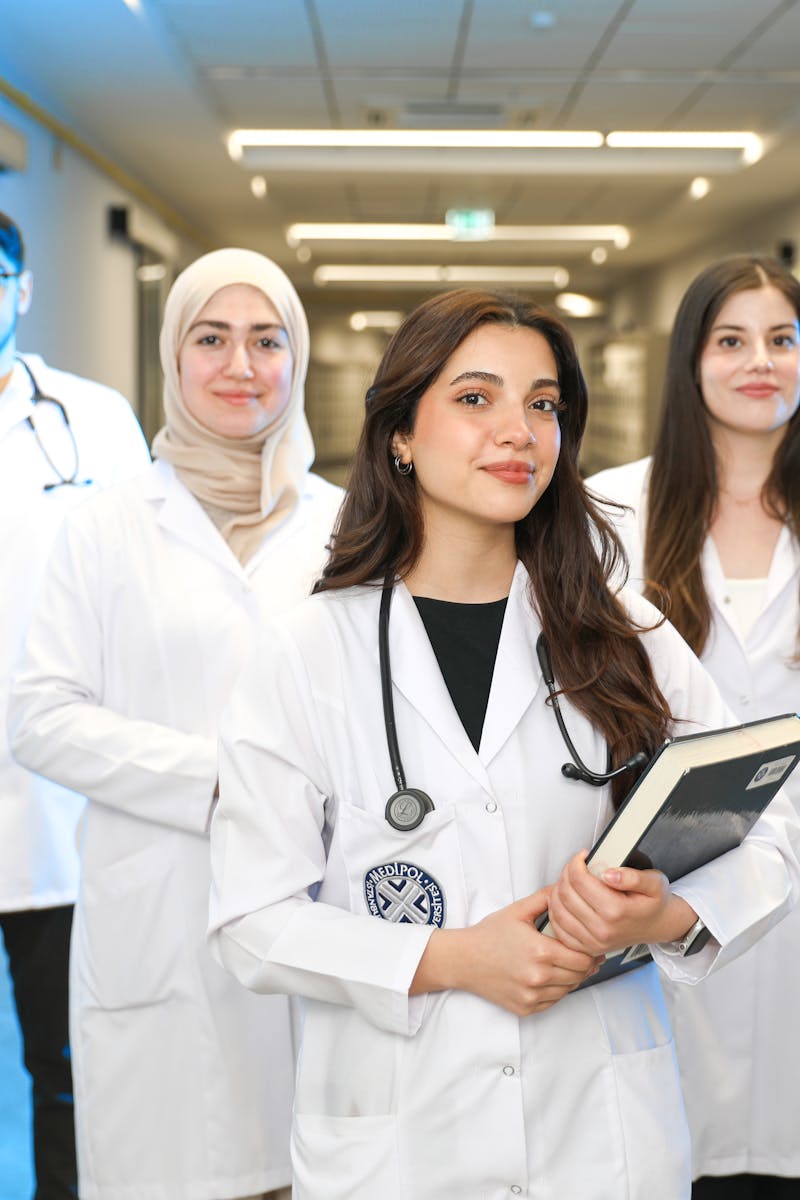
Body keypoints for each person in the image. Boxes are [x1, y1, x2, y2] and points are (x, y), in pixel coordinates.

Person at [205, 289, 800, 1200]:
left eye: (544, 403)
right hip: (401, 1139)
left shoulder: (624, 633)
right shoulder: (307, 652)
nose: (518, 430)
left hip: (602, 1132)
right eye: (476, 399)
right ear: (401, 433)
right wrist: (452, 958)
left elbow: (766, 814)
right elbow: (251, 918)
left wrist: (667, 916)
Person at [8, 247, 344, 1200]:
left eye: (266, 340)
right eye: (212, 338)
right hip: (159, 913)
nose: (242, 366)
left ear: (297, 356)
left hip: (313, 905)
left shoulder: (351, 524)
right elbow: (41, 717)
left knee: (307, 1167)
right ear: (174, 354)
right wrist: (222, 778)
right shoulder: (107, 525)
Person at [586, 255, 800, 1200]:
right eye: (732, 340)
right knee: (677, 1152)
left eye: (783, 339)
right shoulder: (614, 510)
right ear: (691, 361)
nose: (762, 361)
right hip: (672, 879)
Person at [0, 210, 150, 1199]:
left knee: (65, 1077)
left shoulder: (91, 419)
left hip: (54, 812)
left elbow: (140, 601)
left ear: (21, 286)